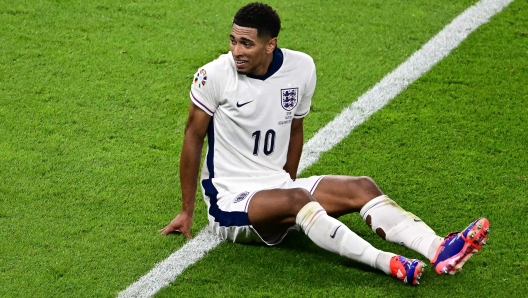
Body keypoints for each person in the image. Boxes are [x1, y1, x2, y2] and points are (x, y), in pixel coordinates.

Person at [160, 2, 489, 285]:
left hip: (275, 188)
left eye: (246, 43)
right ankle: (386, 262)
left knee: (361, 186)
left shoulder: (300, 68)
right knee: (298, 199)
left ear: (270, 44)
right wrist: (187, 210)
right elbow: (193, 136)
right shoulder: (214, 75)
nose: (236, 51)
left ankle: (438, 249)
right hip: (230, 200)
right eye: (232, 41)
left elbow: (296, 129)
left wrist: (285, 185)